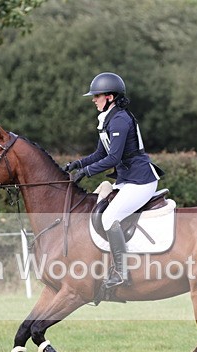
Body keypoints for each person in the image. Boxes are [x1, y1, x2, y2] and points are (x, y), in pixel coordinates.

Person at [64, 72, 162, 290]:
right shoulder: (108, 119)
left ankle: (121, 271)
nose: (93, 99)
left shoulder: (120, 120)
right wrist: (77, 164)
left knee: (109, 218)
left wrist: (87, 172)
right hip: (127, 180)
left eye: (97, 96)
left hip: (140, 181)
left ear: (110, 97)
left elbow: (113, 158)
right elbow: (101, 153)